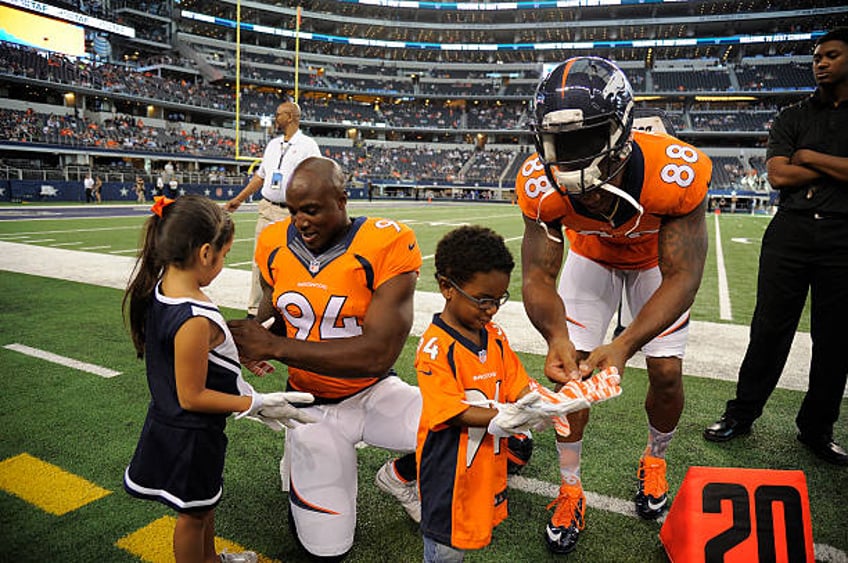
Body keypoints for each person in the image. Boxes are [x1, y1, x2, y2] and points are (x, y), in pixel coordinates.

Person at [515, 56, 711, 554]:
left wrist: (622, 346)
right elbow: (537, 275)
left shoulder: (675, 171)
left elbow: (683, 275)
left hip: (654, 264)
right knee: (570, 376)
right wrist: (558, 338)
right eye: (558, 140)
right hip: (592, 258)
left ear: (621, 130)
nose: (567, 154)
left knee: (665, 371)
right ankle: (570, 487)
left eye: (584, 137)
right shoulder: (539, 185)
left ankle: (655, 458)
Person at [227, 156, 422, 560]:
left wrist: (274, 347)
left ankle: (403, 477)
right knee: (328, 548)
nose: (300, 220)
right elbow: (286, 308)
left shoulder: (385, 242)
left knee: (476, 424)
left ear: (342, 200)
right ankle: (300, 457)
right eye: (293, 210)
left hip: (374, 393)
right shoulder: (274, 241)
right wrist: (260, 335)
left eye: (311, 210)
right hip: (309, 407)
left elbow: (376, 354)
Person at [121, 194, 316, 563]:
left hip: (177, 427)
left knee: (203, 505)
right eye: (225, 254)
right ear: (206, 253)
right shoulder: (194, 316)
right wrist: (254, 402)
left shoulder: (165, 286)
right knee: (192, 518)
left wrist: (234, 356)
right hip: (190, 432)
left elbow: (191, 355)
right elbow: (192, 395)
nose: (223, 261)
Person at [416, 225, 620, 562]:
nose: (492, 309)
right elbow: (448, 411)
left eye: (498, 300)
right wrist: (504, 417)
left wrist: (552, 404)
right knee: (445, 549)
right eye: (482, 300)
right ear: (446, 288)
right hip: (449, 470)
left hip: (486, 461)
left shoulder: (493, 335)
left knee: (471, 536)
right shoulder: (436, 348)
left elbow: (517, 384)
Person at [703, 28, 848, 466]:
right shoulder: (793, 115)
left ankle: (817, 428)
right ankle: (742, 414)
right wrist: (834, 168)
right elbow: (779, 176)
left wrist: (809, 157)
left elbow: (795, 165)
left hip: (843, 236)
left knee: (835, 339)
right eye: (817, 56)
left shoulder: (800, 128)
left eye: (832, 55)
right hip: (791, 231)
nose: (820, 62)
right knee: (768, 330)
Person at [224, 100, 321, 319]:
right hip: (267, 208)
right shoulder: (273, 144)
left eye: (279, 114)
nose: (276, 118)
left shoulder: (308, 145)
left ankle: (293, 308)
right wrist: (238, 199)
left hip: (292, 213)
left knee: (295, 260)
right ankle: (254, 310)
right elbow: (261, 176)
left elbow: (317, 177)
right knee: (260, 260)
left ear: (292, 117)